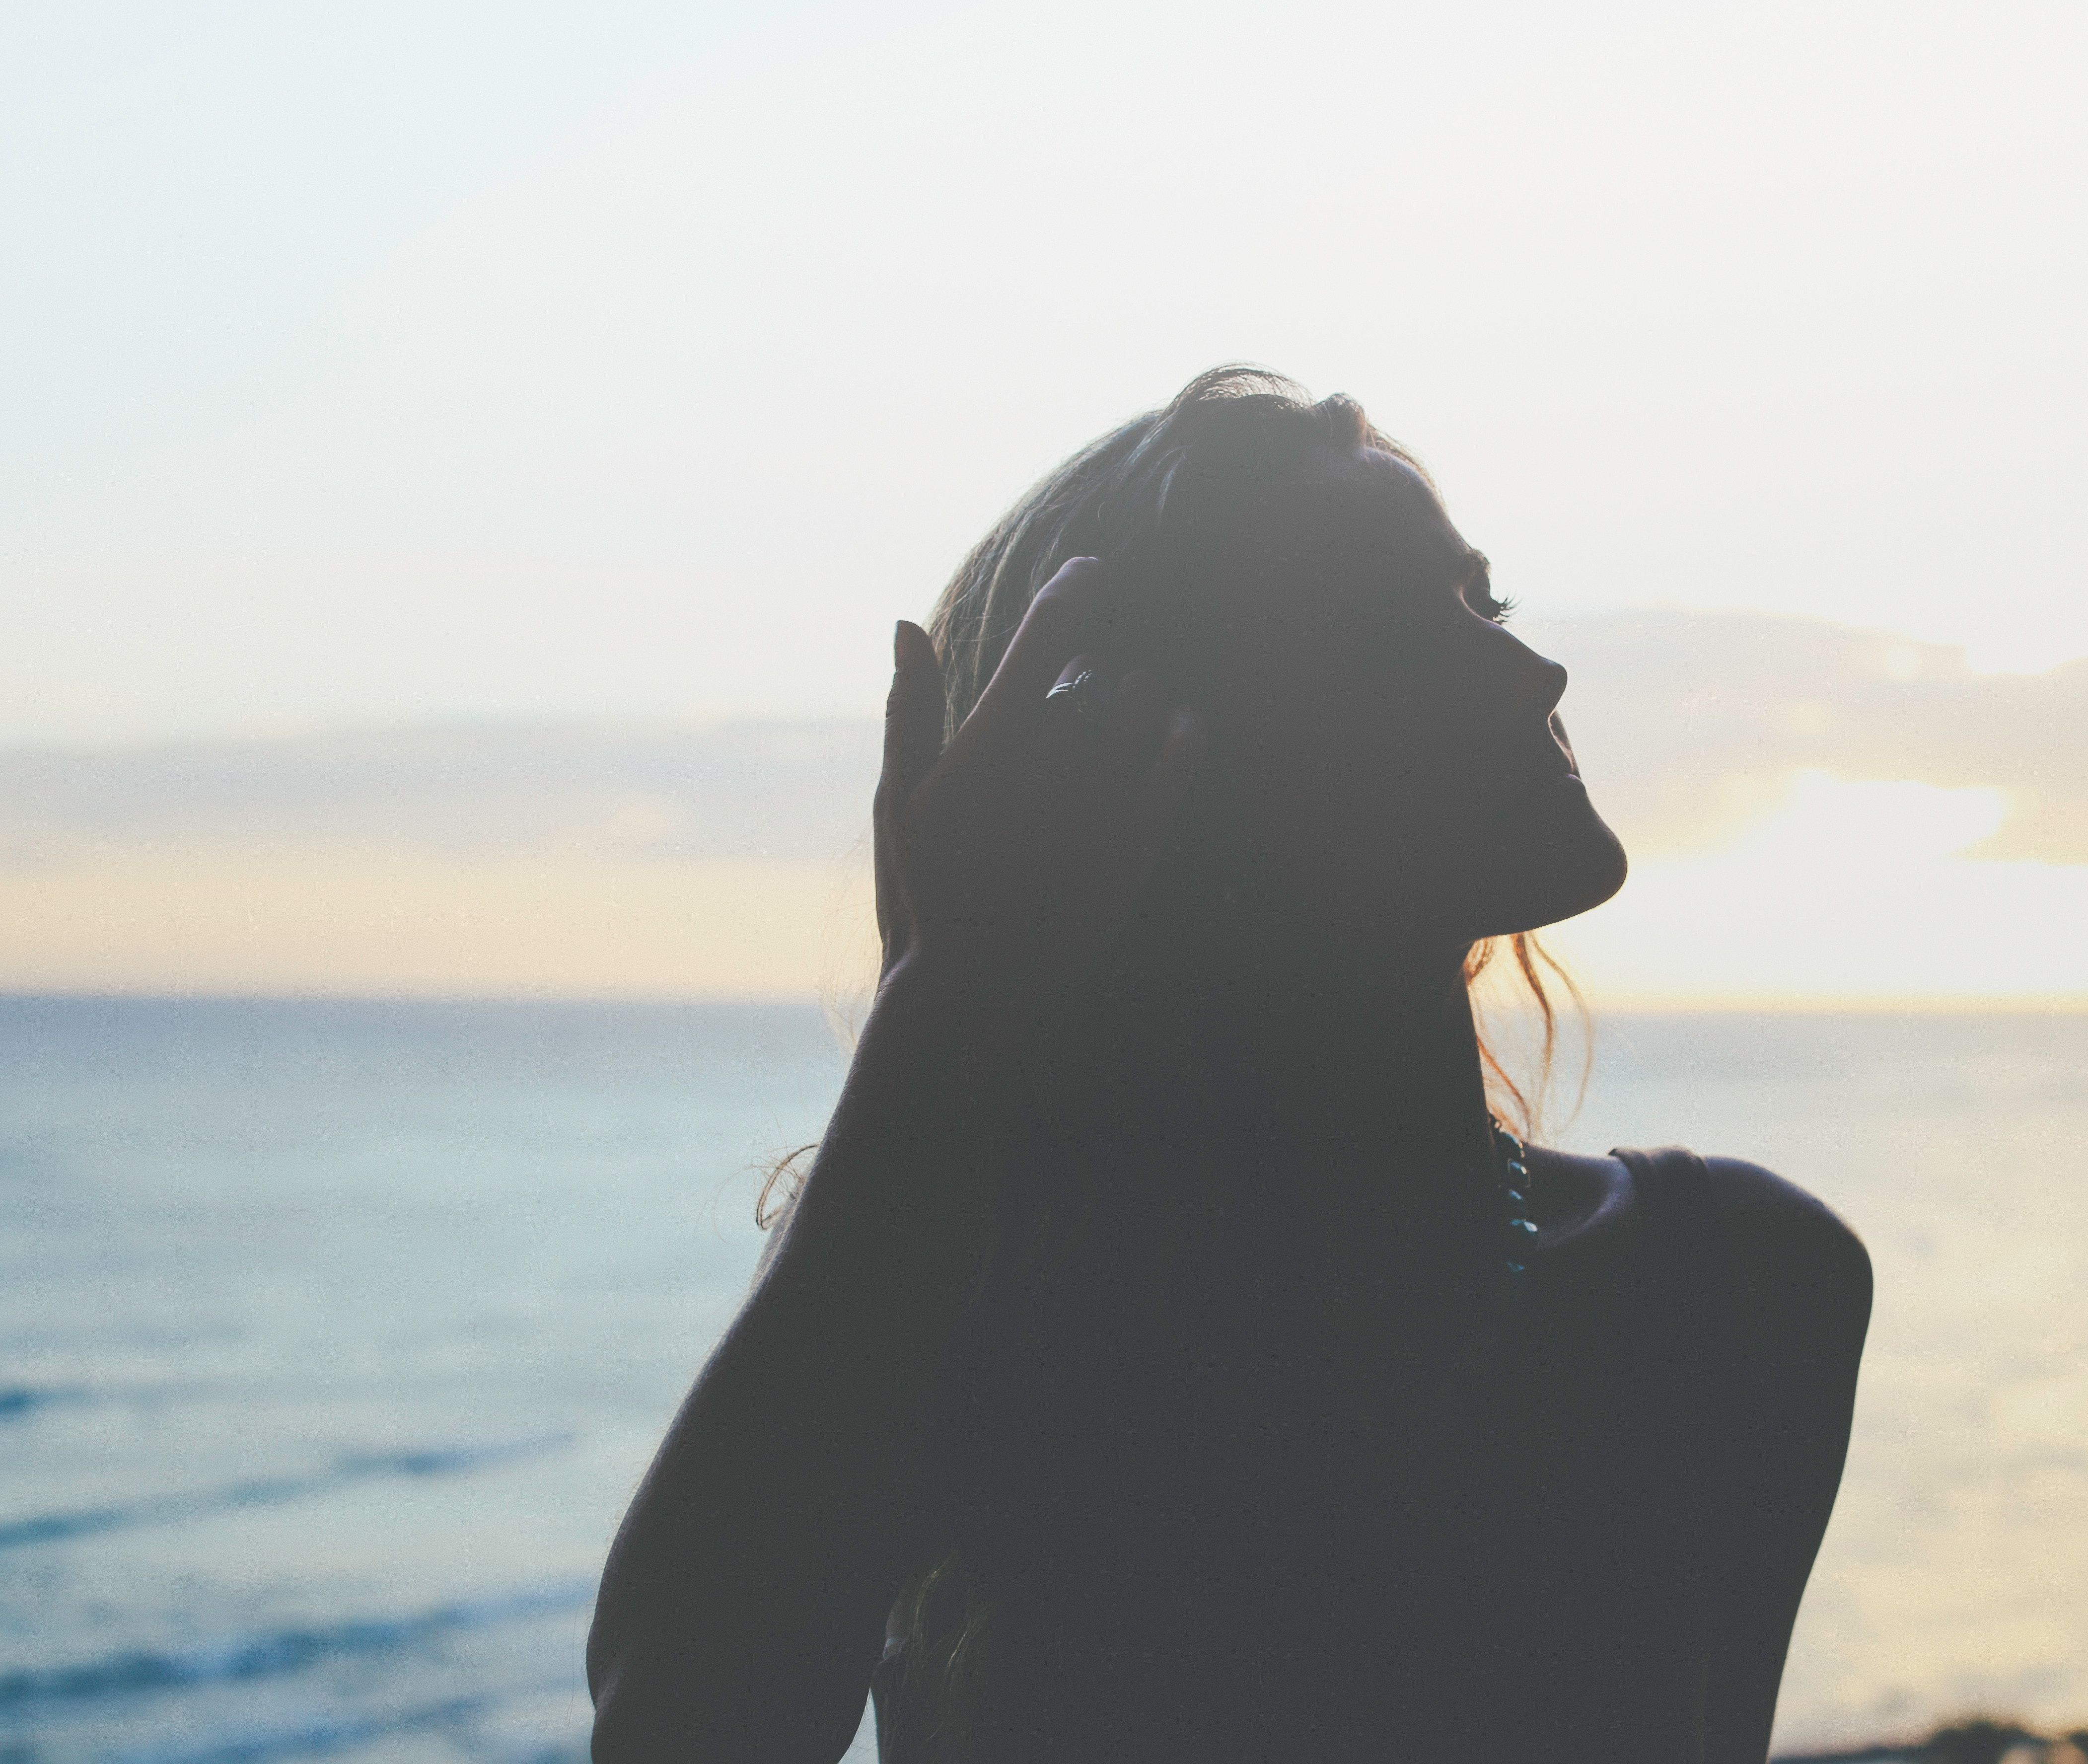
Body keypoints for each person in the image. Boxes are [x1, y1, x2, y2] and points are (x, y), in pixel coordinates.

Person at [585, 367, 1872, 1763]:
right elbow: (681, 1730)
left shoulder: (1742, 1283)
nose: (1532, 671)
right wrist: (944, 1006)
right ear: (1154, 776)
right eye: (1394, 642)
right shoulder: (993, 1309)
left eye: (1482, 606)